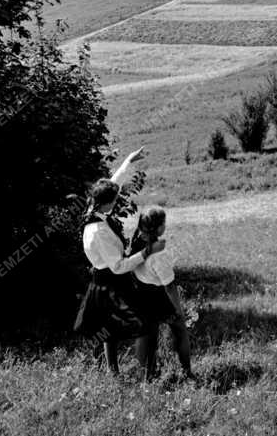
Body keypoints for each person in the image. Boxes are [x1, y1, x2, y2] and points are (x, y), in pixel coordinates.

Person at [73, 147, 162, 379]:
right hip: (110, 280)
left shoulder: (95, 209)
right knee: (140, 322)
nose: (118, 197)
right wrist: (148, 252)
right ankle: (145, 372)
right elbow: (119, 266)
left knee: (108, 329)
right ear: (108, 203)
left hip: (106, 278)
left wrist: (128, 161)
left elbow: (113, 184)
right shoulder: (99, 231)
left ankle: (112, 372)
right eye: (115, 198)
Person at [130, 205, 193, 380]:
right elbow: (169, 286)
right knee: (180, 330)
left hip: (140, 294)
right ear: (159, 228)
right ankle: (186, 371)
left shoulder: (137, 243)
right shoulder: (159, 254)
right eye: (164, 222)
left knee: (144, 335)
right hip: (158, 296)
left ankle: (144, 375)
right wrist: (178, 309)